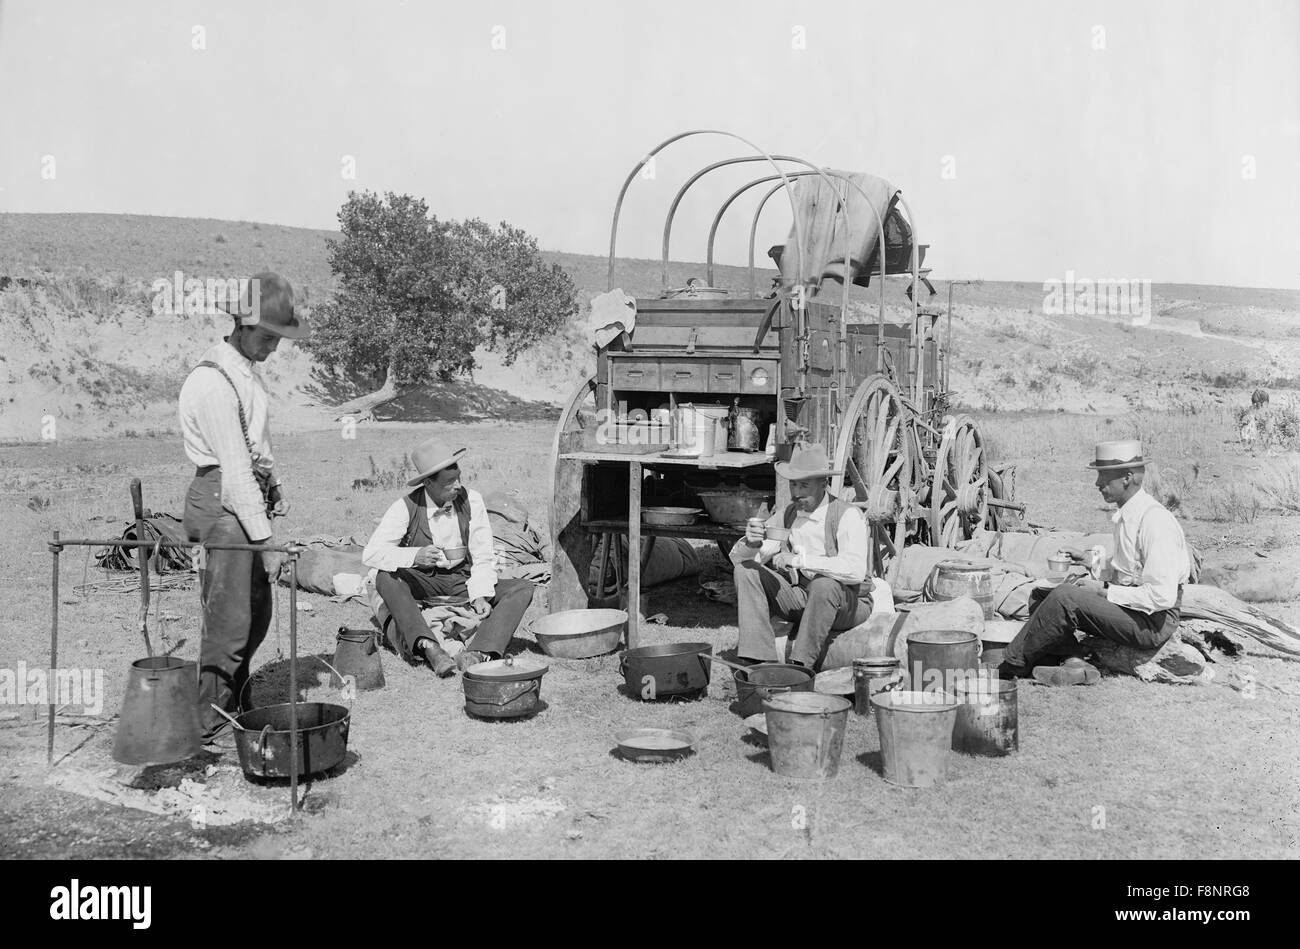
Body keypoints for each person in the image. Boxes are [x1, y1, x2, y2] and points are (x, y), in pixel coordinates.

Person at [178, 272, 307, 745]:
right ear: (240, 325)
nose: (273, 347)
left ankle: (234, 699)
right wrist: (266, 543)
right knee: (230, 620)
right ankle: (210, 717)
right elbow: (233, 471)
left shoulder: (243, 372)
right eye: (267, 337)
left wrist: (274, 485)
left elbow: (254, 450)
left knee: (256, 612)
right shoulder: (212, 382)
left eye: (278, 339)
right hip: (222, 501)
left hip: (243, 497)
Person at [999, 439, 1191, 677]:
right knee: (1041, 594)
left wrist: (1103, 592)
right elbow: (1128, 571)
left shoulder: (1155, 522)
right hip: (1137, 610)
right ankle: (1074, 661)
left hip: (1152, 622)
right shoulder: (1129, 515)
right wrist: (1089, 561)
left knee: (1065, 597)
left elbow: (1162, 596)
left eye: (1103, 477)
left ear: (1127, 478)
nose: (1097, 484)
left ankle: (1010, 667)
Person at [363, 438, 534, 677]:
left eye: (459, 477)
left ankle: (478, 653)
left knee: (522, 587)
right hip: (421, 583)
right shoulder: (405, 507)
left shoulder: (471, 500)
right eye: (449, 482)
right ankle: (429, 646)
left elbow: (483, 554)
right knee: (385, 578)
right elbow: (371, 553)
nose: (458, 486)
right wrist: (415, 555)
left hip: (461, 581)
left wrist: (480, 595)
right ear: (428, 484)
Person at [731, 443, 872, 668]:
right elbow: (739, 560)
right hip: (802, 597)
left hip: (848, 603)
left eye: (804, 485)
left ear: (823, 484)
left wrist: (800, 561)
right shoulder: (788, 514)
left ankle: (800, 667)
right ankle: (758, 661)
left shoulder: (847, 515)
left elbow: (855, 571)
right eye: (793, 484)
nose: (796, 493)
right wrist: (751, 543)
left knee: (824, 585)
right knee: (745, 570)